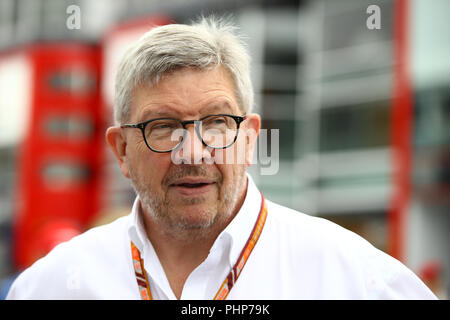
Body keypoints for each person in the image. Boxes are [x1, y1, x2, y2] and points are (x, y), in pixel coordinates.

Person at [7, 16, 436, 300]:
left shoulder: (355, 279)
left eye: (215, 124)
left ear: (249, 138)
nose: (192, 153)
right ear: (121, 150)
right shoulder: (54, 285)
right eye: (163, 127)